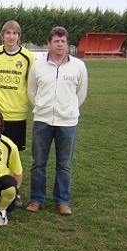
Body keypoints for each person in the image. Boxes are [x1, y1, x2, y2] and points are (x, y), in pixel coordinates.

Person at [26, 26, 88, 216]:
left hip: (67, 123)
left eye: (63, 41)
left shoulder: (78, 66)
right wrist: (43, 107)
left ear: (67, 44)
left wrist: (68, 110)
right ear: (49, 44)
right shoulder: (38, 65)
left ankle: (62, 201)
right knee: (38, 163)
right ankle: (37, 199)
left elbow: (81, 94)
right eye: (56, 41)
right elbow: (31, 92)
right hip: (42, 121)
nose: (59, 45)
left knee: (64, 164)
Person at [0, 20, 35, 151]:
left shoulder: (28, 57)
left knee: (14, 153)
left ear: (19, 36)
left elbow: (32, 85)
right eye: (8, 33)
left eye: (15, 33)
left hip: (18, 114)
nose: (11, 36)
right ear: (2, 35)